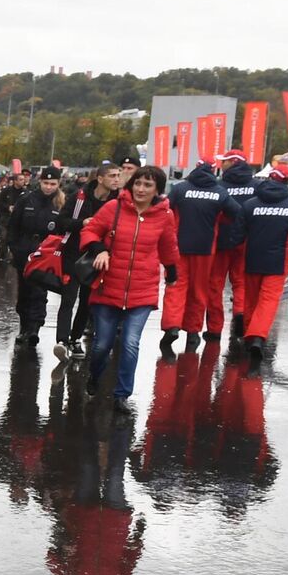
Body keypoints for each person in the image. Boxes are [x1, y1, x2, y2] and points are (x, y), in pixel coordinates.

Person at [79, 166, 178, 405]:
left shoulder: (165, 215)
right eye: (138, 183)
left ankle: (122, 394)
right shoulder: (114, 208)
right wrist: (100, 249)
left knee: (131, 343)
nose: (141, 189)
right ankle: (94, 376)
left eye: (148, 185)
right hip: (108, 287)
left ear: (157, 190)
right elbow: (90, 231)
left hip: (142, 291)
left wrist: (173, 273)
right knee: (102, 345)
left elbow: (168, 246)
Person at [223, 162, 288, 362]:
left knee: (251, 301)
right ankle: (257, 336)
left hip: (252, 259)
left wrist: (244, 253)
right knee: (268, 301)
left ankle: (249, 333)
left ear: (269, 178)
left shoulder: (250, 205)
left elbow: (237, 237)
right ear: (287, 181)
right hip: (278, 262)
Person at [164, 158, 238, 354]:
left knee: (175, 288)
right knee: (199, 291)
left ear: (195, 168)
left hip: (179, 246)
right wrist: (219, 219)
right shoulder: (219, 192)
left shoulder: (180, 189)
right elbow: (236, 213)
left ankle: (172, 326)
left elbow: (165, 211)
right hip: (206, 249)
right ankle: (193, 332)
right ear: (214, 170)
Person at [53, 162, 122, 361]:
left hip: (99, 257)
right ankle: (62, 341)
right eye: (112, 176)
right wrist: (81, 223)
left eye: (118, 176)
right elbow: (61, 223)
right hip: (74, 254)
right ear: (100, 179)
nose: (117, 179)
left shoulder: (119, 202)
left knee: (87, 301)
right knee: (68, 298)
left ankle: (75, 339)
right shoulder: (80, 197)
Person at [7, 167, 70, 346]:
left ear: (58, 184)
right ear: (40, 182)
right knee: (24, 292)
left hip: (46, 254)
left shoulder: (62, 203)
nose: (49, 187)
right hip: (25, 252)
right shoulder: (26, 199)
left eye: (53, 184)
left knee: (39, 292)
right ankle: (24, 327)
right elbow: (13, 226)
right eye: (45, 183)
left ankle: (34, 328)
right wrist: (14, 248)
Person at [206, 150, 258, 341]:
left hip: (222, 241)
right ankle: (240, 317)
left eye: (225, 161)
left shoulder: (219, 186)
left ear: (233, 163)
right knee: (241, 282)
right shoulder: (256, 186)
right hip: (246, 241)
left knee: (215, 285)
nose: (221, 164)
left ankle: (214, 329)